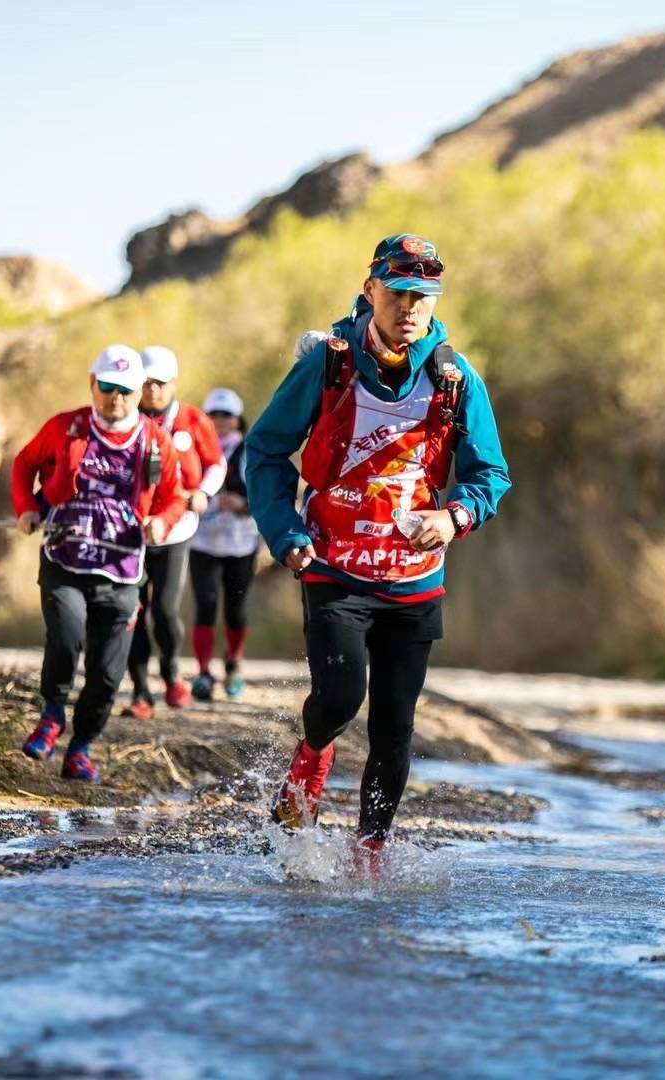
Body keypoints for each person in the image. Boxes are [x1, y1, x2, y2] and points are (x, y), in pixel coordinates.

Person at [247, 233, 511, 869]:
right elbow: (263, 452)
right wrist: (285, 534)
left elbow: (490, 473)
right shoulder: (329, 364)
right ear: (371, 292)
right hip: (334, 566)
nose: (412, 306)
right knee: (339, 697)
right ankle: (309, 763)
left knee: (395, 725)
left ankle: (369, 849)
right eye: (399, 293)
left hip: (414, 579)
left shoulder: (455, 376)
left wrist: (454, 517)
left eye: (424, 295)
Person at [11, 345, 186, 782]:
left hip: (123, 571)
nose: (117, 398)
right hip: (64, 559)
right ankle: (52, 716)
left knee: (108, 675)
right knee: (66, 638)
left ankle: (82, 748)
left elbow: (174, 499)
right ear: (93, 383)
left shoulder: (155, 442)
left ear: (139, 390)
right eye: (107, 387)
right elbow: (24, 464)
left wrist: (161, 525)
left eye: (126, 390)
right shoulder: (64, 427)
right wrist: (25, 508)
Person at [121, 346, 225, 718]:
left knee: (164, 610)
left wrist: (203, 493)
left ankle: (171, 674)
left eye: (159, 383)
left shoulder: (193, 420)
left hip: (176, 529)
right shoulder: (126, 420)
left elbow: (217, 463)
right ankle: (139, 691)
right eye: (145, 383)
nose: (151, 391)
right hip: (131, 532)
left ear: (173, 383)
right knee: (131, 609)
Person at [189, 387, 260, 701]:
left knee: (236, 607)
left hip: (241, 541)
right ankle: (203, 672)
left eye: (226, 415)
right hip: (201, 539)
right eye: (213, 415)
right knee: (205, 604)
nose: (220, 421)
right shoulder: (192, 449)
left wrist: (242, 504)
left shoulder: (250, 450)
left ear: (238, 419)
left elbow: (263, 492)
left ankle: (233, 664)